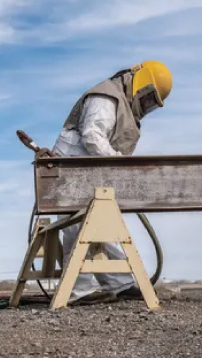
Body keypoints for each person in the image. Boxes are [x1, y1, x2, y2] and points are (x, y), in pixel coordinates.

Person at [51, 60, 172, 303]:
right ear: (141, 84)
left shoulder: (121, 104)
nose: (147, 106)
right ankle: (78, 292)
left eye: (152, 103)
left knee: (103, 226)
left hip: (88, 172)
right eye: (148, 98)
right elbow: (93, 136)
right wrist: (118, 165)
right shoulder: (107, 97)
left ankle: (122, 284)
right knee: (77, 230)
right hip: (70, 171)